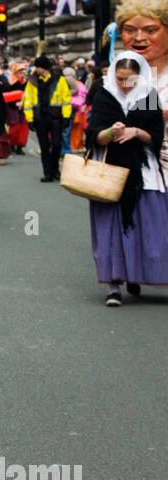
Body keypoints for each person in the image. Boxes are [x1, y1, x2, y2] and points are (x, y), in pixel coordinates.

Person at [85, 52, 168, 306]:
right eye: (121, 79)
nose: (125, 84)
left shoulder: (148, 97)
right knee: (111, 227)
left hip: (143, 172)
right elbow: (93, 135)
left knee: (150, 227)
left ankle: (137, 274)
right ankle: (114, 285)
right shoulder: (104, 96)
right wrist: (110, 132)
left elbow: (156, 136)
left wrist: (136, 131)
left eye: (130, 80)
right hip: (110, 172)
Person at [113, 0, 168, 179]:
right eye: (130, 30)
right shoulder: (113, 77)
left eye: (150, 30)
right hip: (129, 172)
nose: (138, 37)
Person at [23, 56, 72, 182]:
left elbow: (66, 99)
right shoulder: (32, 81)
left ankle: (55, 169)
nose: (36, 69)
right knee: (44, 147)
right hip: (40, 118)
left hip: (55, 117)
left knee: (56, 144)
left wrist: (66, 116)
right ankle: (48, 173)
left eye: (38, 67)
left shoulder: (59, 80)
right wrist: (29, 119)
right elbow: (28, 100)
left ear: (43, 68)